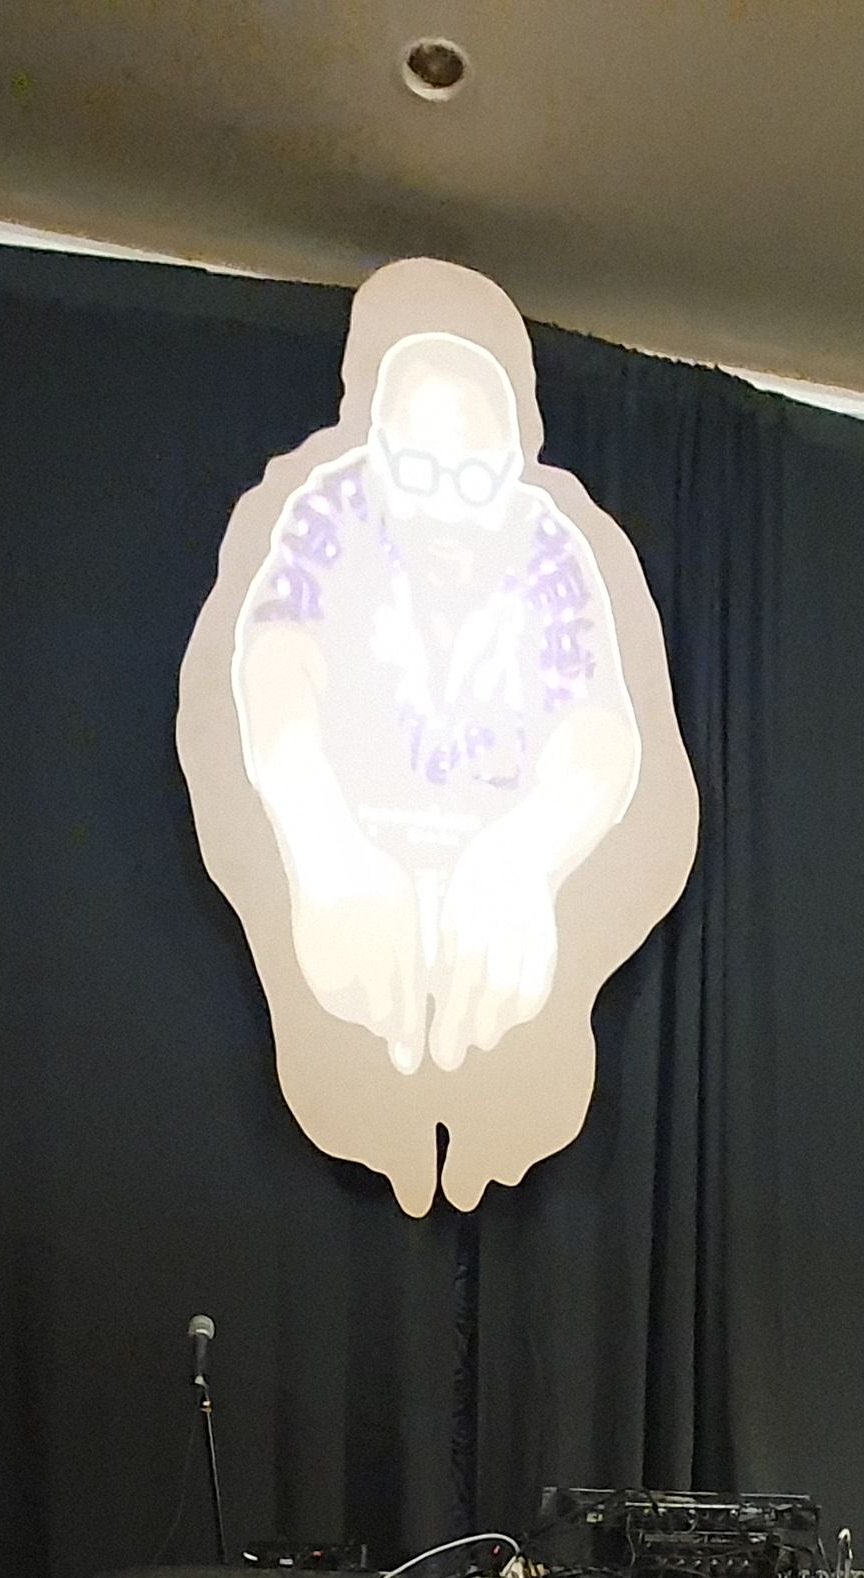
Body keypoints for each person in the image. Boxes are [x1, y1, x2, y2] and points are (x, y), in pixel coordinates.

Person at [230, 331, 644, 1080]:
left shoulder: (545, 542)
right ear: (380, 462)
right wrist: (322, 842)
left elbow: (600, 735)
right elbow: (276, 663)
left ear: (513, 476)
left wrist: (525, 856)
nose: (447, 512)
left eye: (476, 482)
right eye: (419, 474)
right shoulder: (334, 507)